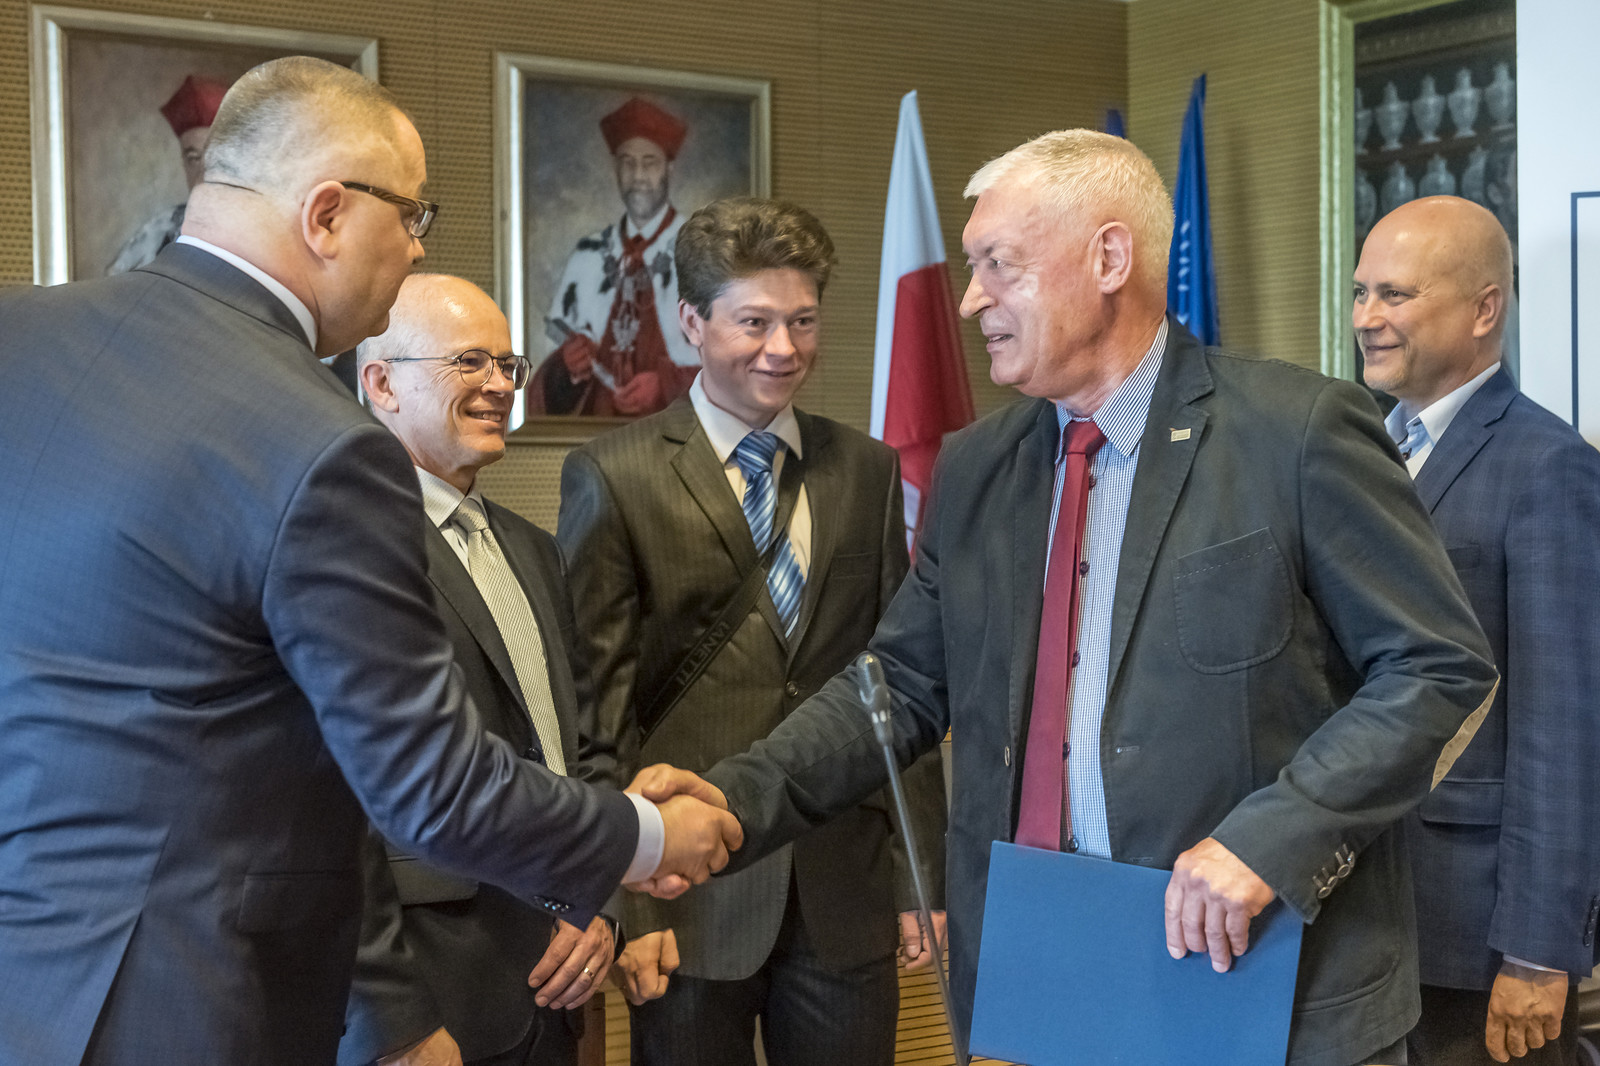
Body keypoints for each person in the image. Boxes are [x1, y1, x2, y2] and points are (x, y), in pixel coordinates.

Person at [634, 131, 1501, 1066]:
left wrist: (1275, 838)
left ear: (1109, 258)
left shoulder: (1295, 432)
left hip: (1269, 982)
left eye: (997, 265)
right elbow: (900, 684)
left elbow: (1435, 668)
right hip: (1048, 972)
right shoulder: (979, 466)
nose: (971, 300)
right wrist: (733, 799)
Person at [0, 56, 737, 1066]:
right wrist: (646, 836)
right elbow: (431, 788)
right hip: (197, 1001)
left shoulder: (20, 337)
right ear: (327, 214)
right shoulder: (323, 441)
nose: (418, 245)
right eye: (413, 213)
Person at [558, 197, 948, 1066]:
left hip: (845, 890)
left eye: (803, 321)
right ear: (692, 322)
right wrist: (630, 901)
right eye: (755, 322)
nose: (784, 347)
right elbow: (598, 714)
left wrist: (919, 876)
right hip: (689, 898)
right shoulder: (614, 476)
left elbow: (901, 686)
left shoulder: (868, 470)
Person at [339, 275, 625, 1066]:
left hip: (561, 977)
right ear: (382, 383)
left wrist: (598, 900)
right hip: (432, 996)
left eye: (509, 364)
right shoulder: (347, 546)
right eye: (470, 362)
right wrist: (390, 1022)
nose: (501, 385)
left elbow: (585, 745)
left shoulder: (535, 549)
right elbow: (330, 805)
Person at [1355, 196, 1600, 1066]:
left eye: (1395, 294)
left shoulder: (1549, 466)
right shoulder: (1360, 450)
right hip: (1359, 919)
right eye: (1360, 293)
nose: (1367, 318)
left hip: (1477, 939)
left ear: (1484, 309)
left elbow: (1564, 730)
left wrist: (1539, 950)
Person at [526, 97, 701, 417]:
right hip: (595, 437)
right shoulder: (588, 255)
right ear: (614, 169)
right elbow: (545, 398)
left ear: (669, 168)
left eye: (649, 163)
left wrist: (666, 385)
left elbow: (736, 368)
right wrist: (567, 368)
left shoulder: (702, 249)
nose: (638, 176)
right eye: (627, 163)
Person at [108, 73, 231, 274]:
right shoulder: (159, 231)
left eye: (214, 156)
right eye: (193, 158)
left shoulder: (264, 230)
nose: (203, 172)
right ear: (183, 162)